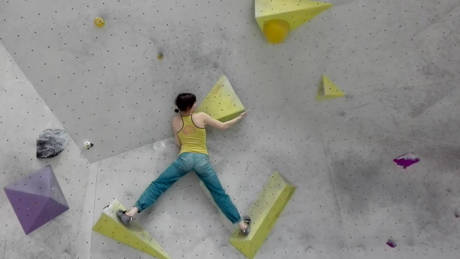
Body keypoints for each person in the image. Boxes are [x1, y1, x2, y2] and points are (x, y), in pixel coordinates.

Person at [116, 93, 251, 235]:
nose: (196, 104)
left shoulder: (175, 121)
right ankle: (242, 225)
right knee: (219, 194)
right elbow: (223, 126)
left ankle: (131, 213)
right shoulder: (201, 117)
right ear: (189, 106)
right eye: (194, 103)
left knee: (158, 185)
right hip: (201, 161)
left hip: (184, 159)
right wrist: (239, 117)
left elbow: (178, 143)